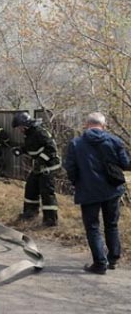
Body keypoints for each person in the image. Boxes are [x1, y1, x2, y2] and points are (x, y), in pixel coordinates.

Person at [64, 112, 130, 274]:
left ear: (86, 125)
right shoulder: (114, 141)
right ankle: (113, 258)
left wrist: (77, 183)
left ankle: (100, 263)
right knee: (111, 224)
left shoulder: (75, 143)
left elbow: (70, 168)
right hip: (112, 190)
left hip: (88, 191)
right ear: (104, 126)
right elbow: (126, 164)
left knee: (93, 227)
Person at [12, 112, 62, 227]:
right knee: (31, 187)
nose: (19, 130)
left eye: (19, 127)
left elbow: (51, 149)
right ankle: (30, 213)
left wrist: (40, 160)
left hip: (49, 165)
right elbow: (32, 147)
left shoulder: (39, 132)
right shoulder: (29, 133)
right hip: (39, 166)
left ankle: (50, 220)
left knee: (46, 191)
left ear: (25, 124)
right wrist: (21, 150)